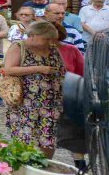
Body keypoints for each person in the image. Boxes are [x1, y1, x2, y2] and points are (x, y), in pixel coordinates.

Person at [4, 20, 64, 157]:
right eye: (46, 39)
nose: (50, 42)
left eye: (51, 39)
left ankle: (44, 165)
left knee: (49, 138)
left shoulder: (52, 49)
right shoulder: (19, 47)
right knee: (25, 138)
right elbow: (8, 70)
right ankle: (23, 168)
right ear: (34, 35)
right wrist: (39, 69)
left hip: (51, 103)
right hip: (26, 102)